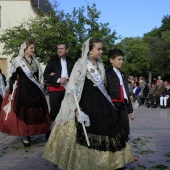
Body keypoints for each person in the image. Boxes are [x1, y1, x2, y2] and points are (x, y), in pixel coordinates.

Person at [42, 38, 133, 169]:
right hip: (86, 103)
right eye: (99, 49)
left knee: (110, 129)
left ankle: (110, 163)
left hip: (102, 103)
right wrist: (76, 109)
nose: (101, 52)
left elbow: (104, 85)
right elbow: (73, 87)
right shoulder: (80, 64)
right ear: (90, 51)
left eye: (102, 49)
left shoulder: (100, 64)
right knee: (88, 132)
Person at [0, 41, 50, 147]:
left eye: (33, 48)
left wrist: (42, 85)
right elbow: (12, 77)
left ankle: (43, 130)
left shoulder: (35, 61)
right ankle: (25, 135)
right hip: (22, 89)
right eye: (31, 48)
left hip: (34, 89)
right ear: (25, 49)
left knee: (38, 111)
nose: (33, 50)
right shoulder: (17, 61)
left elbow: (39, 76)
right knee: (24, 112)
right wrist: (10, 92)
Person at [43, 42, 74, 139]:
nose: (59, 50)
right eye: (58, 49)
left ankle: (63, 132)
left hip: (67, 89)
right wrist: (58, 79)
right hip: (55, 89)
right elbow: (46, 74)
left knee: (67, 110)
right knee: (54, 111)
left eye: (62, 49)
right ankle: (50, 132)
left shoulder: (70, 61)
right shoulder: (53, 61)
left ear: (67, 50)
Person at [106, 49, 135, 137]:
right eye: (119, 59)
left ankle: (124, 148)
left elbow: (126, 93)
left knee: (125, 129)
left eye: (122, 59)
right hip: (112, 106)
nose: (121, 62)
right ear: (111, 60)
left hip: (123, 105)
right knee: (113, 130)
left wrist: (131, 110)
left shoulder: (123, 74)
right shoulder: (106, 74)